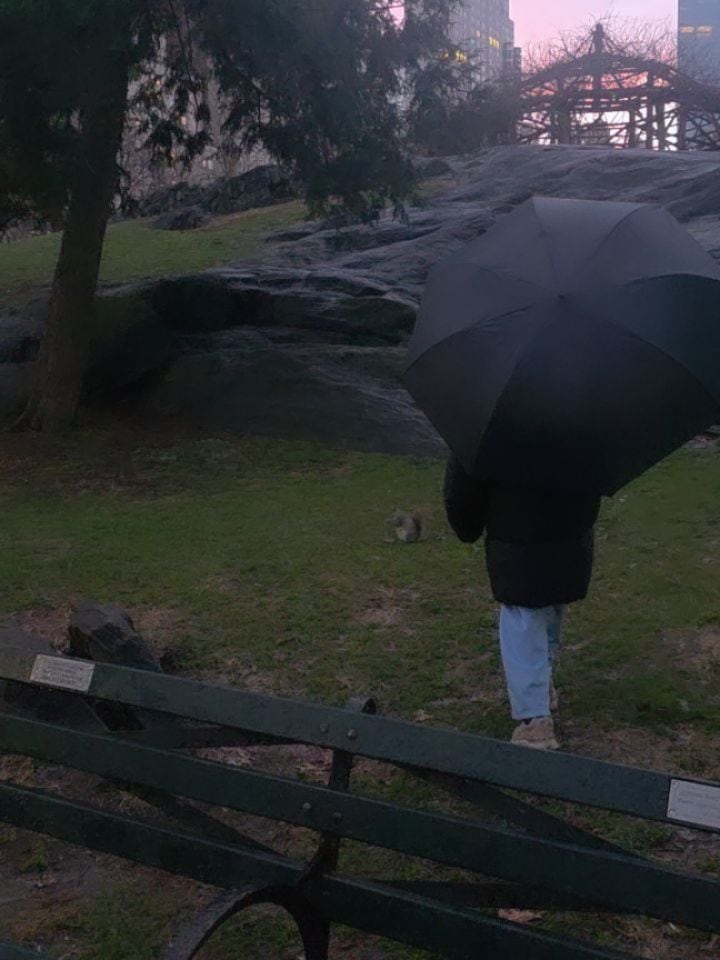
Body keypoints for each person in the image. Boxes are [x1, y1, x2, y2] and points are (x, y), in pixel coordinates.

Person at [443, 456, 601, 750]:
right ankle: (541, 685)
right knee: (549, 613)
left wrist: (467, 526)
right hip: (568, 540)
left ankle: (534, 721)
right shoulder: (578, 420)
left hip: (517, 542)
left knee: (522, 625)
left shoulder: (490, 427)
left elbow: (462, 486)